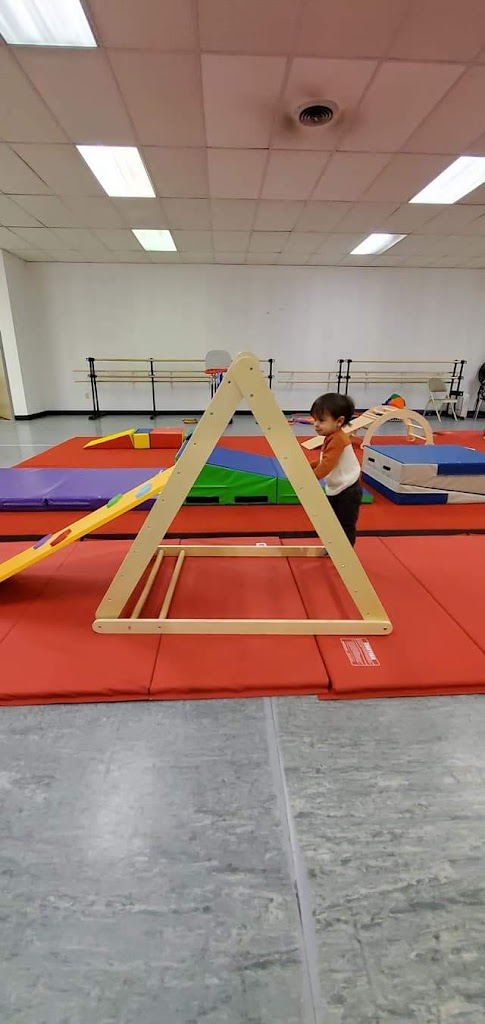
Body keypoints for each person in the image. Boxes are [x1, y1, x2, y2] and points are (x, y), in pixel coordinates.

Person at [309, 393, 362, 547]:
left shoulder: (338, 439)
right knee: (332, 521)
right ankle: (335, 547)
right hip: (338, 487)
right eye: (315, 420)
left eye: (321, 421)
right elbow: (323, 460)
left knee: (345, 524)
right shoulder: (332, 436)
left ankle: (345, 551)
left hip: (347, 490)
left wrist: (310, 478)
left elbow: (327, 464)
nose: (316, 424)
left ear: (339, 421)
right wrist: (309, 466)